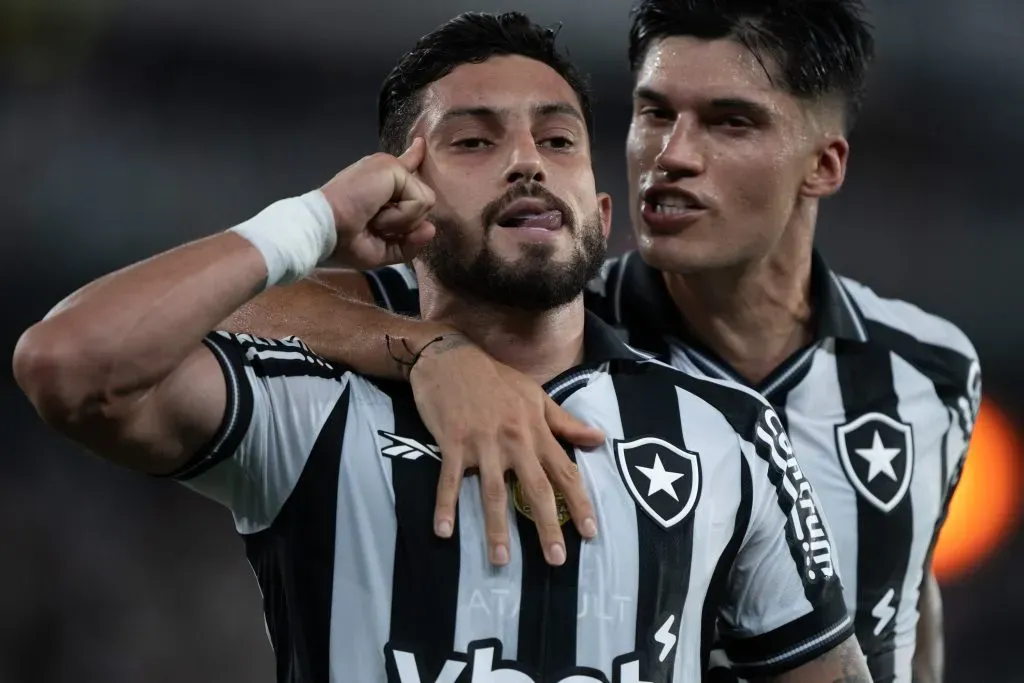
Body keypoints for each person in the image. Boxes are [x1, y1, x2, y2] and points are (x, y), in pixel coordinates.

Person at [13, 11, 872, 683]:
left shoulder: (728, 432)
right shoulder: (312, 409)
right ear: (401, 202)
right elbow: (69, 364)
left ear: (603, 215)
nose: (528, 162)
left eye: (559, 137)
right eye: (474, 140)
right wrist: (314, 222)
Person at [222, 2, 982, 683]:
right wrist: (425, 349)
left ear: (824, 164)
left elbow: (907, 591)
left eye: (728, 122)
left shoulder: (934, 368)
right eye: (653, 114)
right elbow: (238, 308)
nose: (671, 155)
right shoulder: (545, 314)